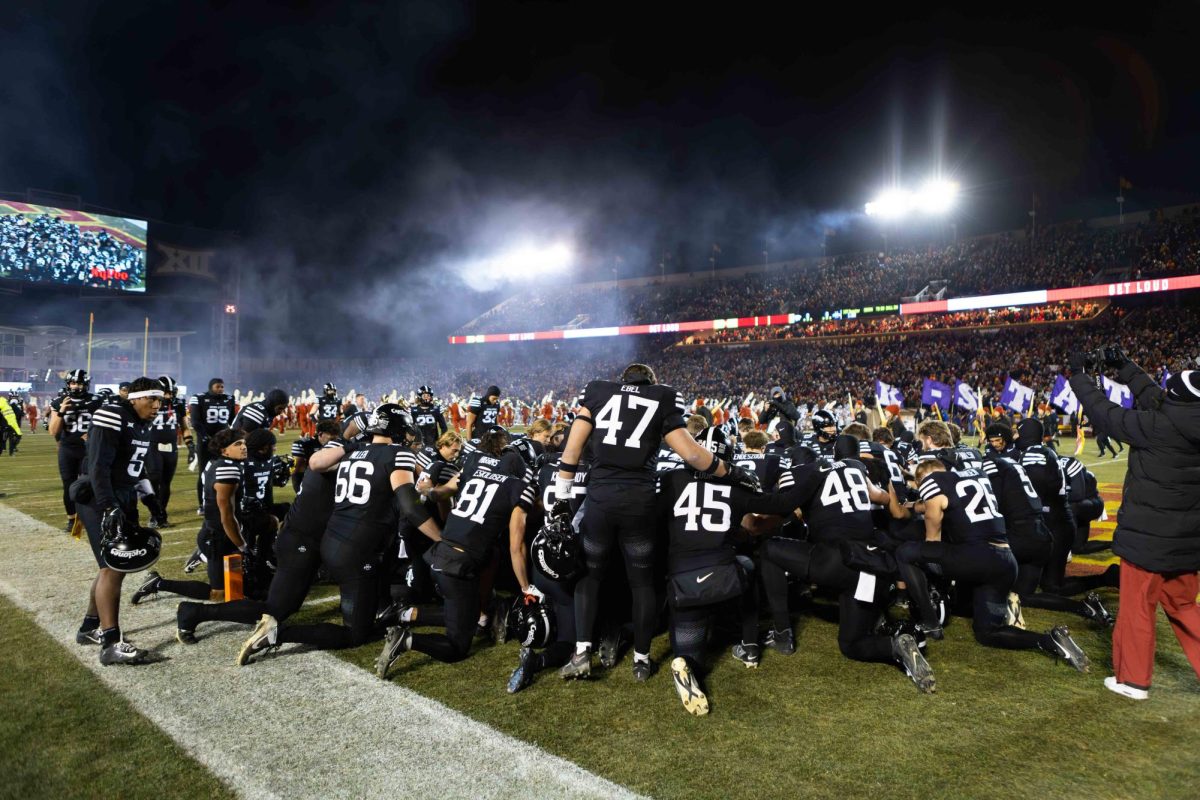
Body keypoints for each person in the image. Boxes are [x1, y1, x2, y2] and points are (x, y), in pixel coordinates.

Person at [556, 363, 755, 681]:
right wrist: (731, 471)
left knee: (589, 577)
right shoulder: (663, 397)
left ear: (623, 380)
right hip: (639, 503)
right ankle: (642, 659)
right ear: (652, 381)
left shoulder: (596, 390)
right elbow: (692, 454)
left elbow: (572, 449)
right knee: (642, 583)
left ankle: (581, 653)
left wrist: (560, 501)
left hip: (601, 501)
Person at [238, 404, 442, 662]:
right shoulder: (398, 454)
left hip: (332, 541)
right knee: (356, 633)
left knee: (370, 594)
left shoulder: (352, 452)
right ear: (397, 428)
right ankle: (278, 634)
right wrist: (442, 540)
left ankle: (381, 609)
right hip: (358, 549)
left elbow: (316, 463)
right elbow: (411, 508)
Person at [1068, 349, 1200, 700]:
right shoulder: (1186, 417)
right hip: (1188, 539)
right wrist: (1125, 367)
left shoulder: (1157, 426)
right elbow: (1160, 397)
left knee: (1137, 606)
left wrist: (1080, 376)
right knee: (1184, 605)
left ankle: (1133, 680)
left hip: (1148, 537)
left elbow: (1105, 414)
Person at [376, 426, 533, 676]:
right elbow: (517, 547)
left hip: (440, 552)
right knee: (457, 646)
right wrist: (526, 588)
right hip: (458, 567)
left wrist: (423, 492)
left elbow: (439, 493)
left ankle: (404, 614)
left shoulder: (472, 468)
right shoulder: (518, 487)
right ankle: (406, 641)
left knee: (469, 607)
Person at [73, 377, 162, 664]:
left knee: (111, 567)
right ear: (136, 397)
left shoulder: (141, 422)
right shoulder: (113, 413)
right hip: (101, 496)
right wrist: (109, 506)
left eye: (161, 401)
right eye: (153, 400)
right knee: (113, 566)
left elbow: (136, 469)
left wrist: (150, 500)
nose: (158, 406)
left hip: (123, 495)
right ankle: (110, 642)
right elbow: (98, 465)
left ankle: (90, 627)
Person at [131, 429, 249, 604]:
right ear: (224, 450)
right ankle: (159, 583)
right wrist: (242, 545)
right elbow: (226, 516)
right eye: (237, 444)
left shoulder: (216, 463)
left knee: (236, 590)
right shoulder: (228, 469)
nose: (244, 447)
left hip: (214, 531)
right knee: (219, 595)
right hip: (218, 537)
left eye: (244, 443)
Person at [49, 369, 101, 532]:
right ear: (68, 384)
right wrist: (62, 410)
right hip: (68, 449)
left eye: (79, 383)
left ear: (85, 384)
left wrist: (91, 433)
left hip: (89, 449)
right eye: (73, 383)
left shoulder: (96, 400)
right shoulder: (59, 401)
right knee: (68, 485)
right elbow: (53, 431)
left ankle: (93, 517)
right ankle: (73, 521)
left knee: (92, 484)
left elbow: (104, 424)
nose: (76, 386)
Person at [144, 375, 191, 528]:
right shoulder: (148, 402)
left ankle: (161, 515)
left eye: (171, 393)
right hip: (152, 445)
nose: (169, 396)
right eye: (166, 392)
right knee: (154, 480)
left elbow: (184, 426)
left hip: (171, 446)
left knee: (166, 483)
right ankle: (154, 515)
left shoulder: (177, 404)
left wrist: (191, 446)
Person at [189, 378, 236, 512]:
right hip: (206, 443)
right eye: (218, 387)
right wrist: (206, 438)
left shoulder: (229, 399)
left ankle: (221, 501)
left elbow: (233, 420)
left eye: (222, 386)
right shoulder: (200, 398)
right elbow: (196, 422)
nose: (221, 389)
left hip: (223, 443)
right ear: (211, 387)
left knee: (225, 471)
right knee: (204, 473)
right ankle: (202, 504)